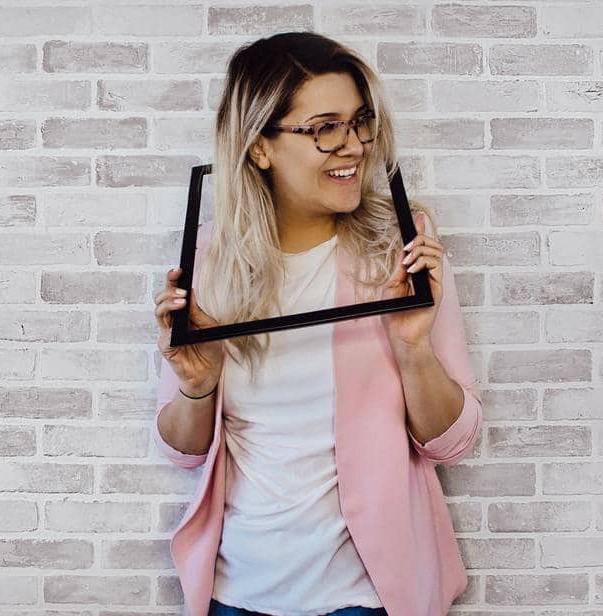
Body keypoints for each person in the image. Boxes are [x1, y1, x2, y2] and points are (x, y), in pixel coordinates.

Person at [153, 33, 483, 616]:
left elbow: (451, 442)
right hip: (236, 594)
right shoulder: (210, 262)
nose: (352, 146)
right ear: (260, 148)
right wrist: (196, 386)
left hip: (369, 596)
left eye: (359, 123)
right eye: (324, 127)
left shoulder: (401, 249)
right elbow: (184, 450)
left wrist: (413, 349)